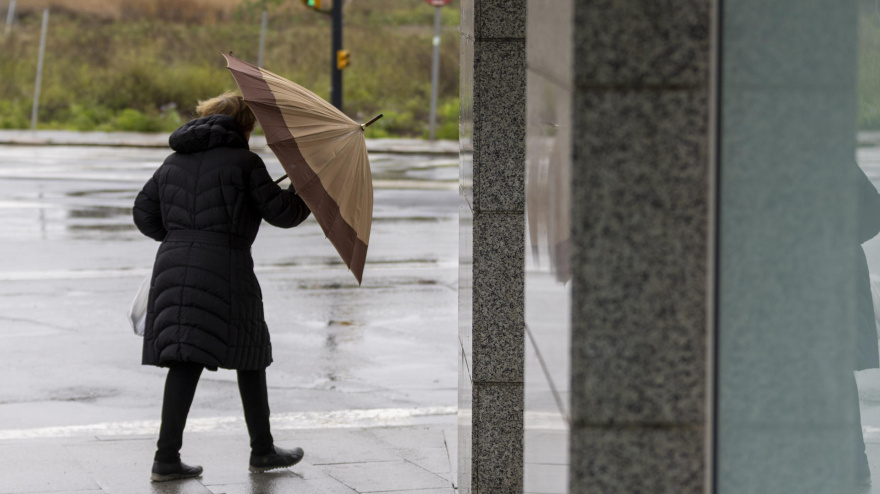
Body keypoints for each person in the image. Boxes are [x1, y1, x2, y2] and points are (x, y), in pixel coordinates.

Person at [132, 91, 311, 482]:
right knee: (250, 354)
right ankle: (262, 450)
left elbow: (143, 213)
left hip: (174, 263)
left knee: (184, 358)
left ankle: (166, 459)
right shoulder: (245, 162)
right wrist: (305, 187)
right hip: (226, 265)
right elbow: (282, 213)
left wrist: (181, 236)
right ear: (245, 125)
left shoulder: (173, 161)